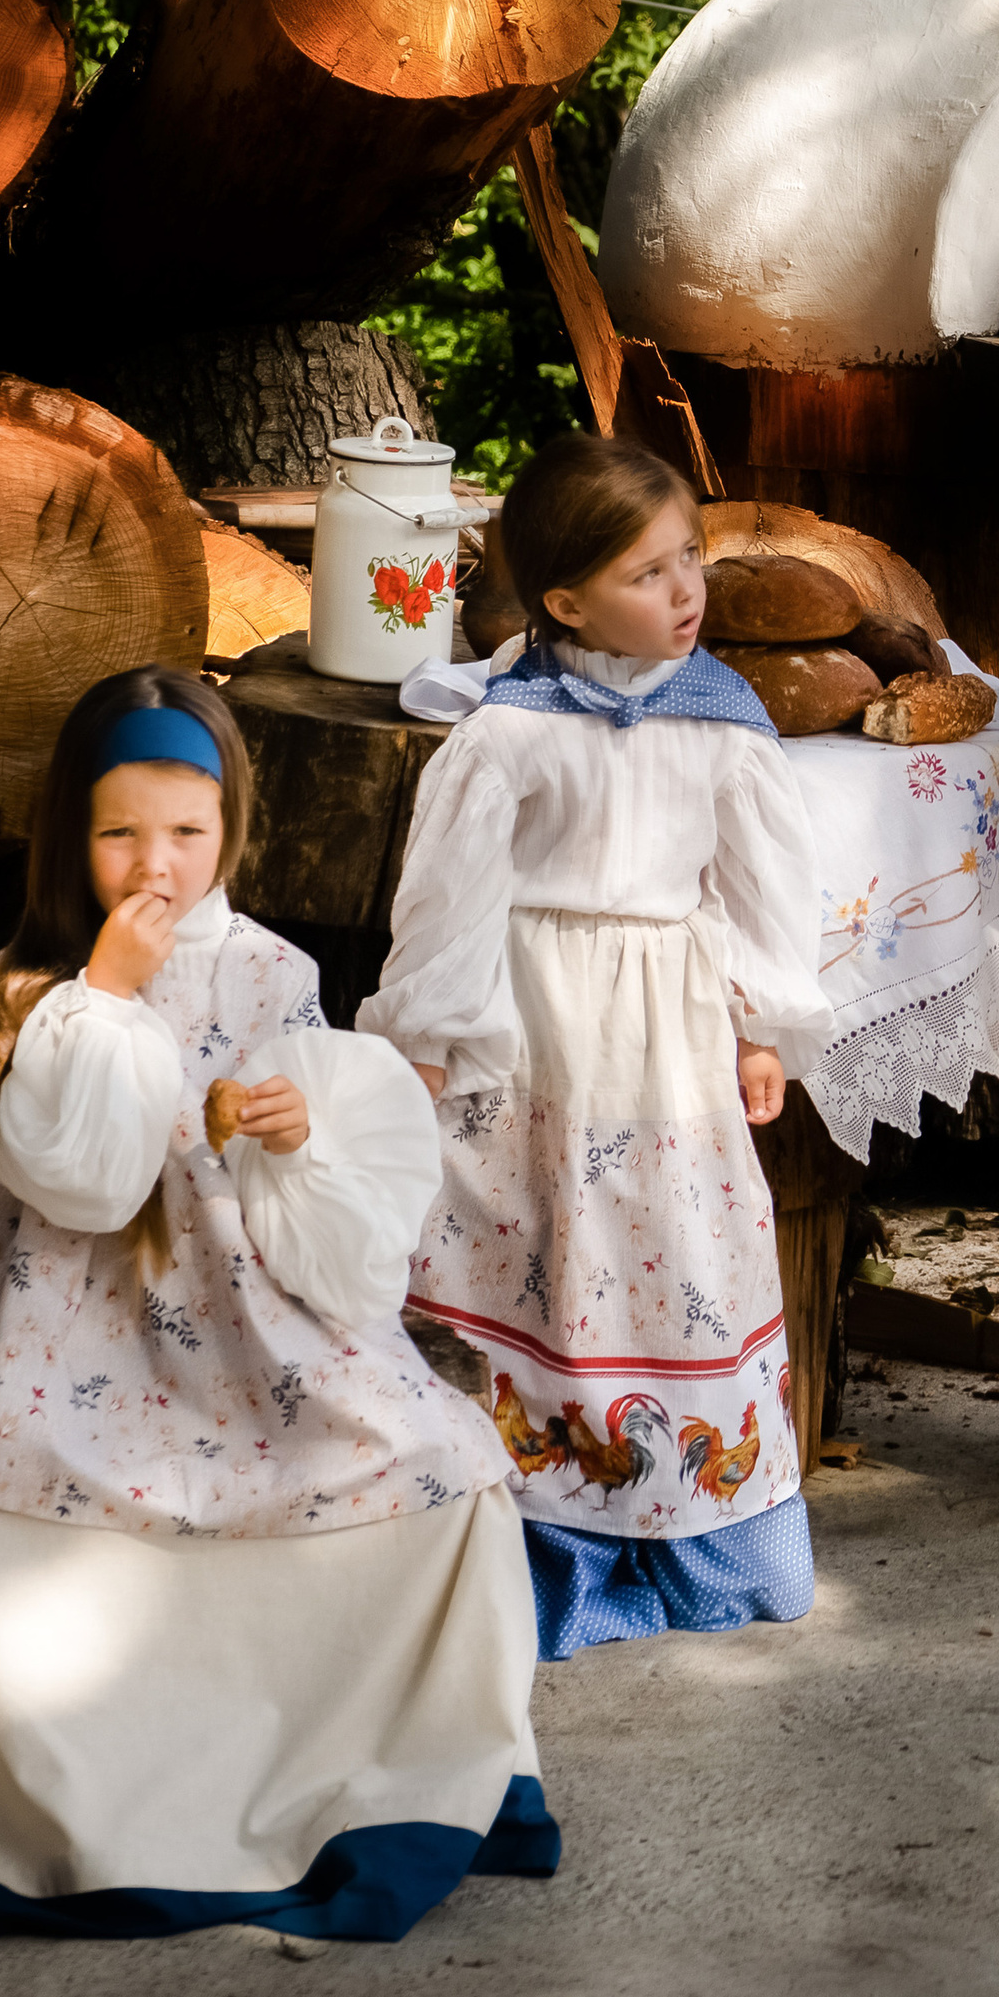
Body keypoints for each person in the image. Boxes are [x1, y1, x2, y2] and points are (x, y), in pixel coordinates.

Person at [0, 663, 556, 1939]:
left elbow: (335, 1152)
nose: (154, 862)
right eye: (119, 832)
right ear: (72, 835)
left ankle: (373, 1774)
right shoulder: (28, 981)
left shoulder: (272, 969)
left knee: (441, 1463)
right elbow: (82, 1182)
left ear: (233, 830)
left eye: (187, 830)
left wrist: (293, 1129)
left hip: (249, 1304)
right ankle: (86, 1817)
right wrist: (103, 995)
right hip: (69, 1305)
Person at [359, 434, 829, 1658]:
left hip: (665, 1026)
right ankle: (531, 1521)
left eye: (689, 563)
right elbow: (451, 896)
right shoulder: (510, 731)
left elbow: (763, 883)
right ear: (566, 601)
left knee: (672, 1244)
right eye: (647, 576)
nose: (686, 596)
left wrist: (763, 1019)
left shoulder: (720, 721)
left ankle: (693, 1526)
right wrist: (424, 1034)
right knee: (544, 1238)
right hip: (535, 1025)